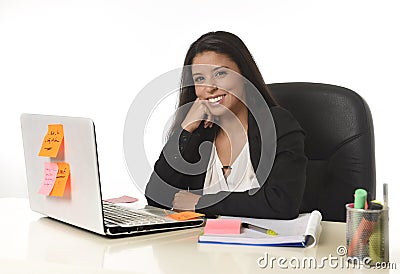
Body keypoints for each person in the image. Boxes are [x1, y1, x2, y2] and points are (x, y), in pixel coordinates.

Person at [145, 31, 307, 219]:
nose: (210, 87)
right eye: (199, 78)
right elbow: (156, 197)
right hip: (201, 246)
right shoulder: (200, 134)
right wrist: (186, 129)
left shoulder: (277, 124)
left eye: (220, 73)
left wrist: (201, 202)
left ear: (244, 76)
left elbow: (282, 203)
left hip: (267, 247)